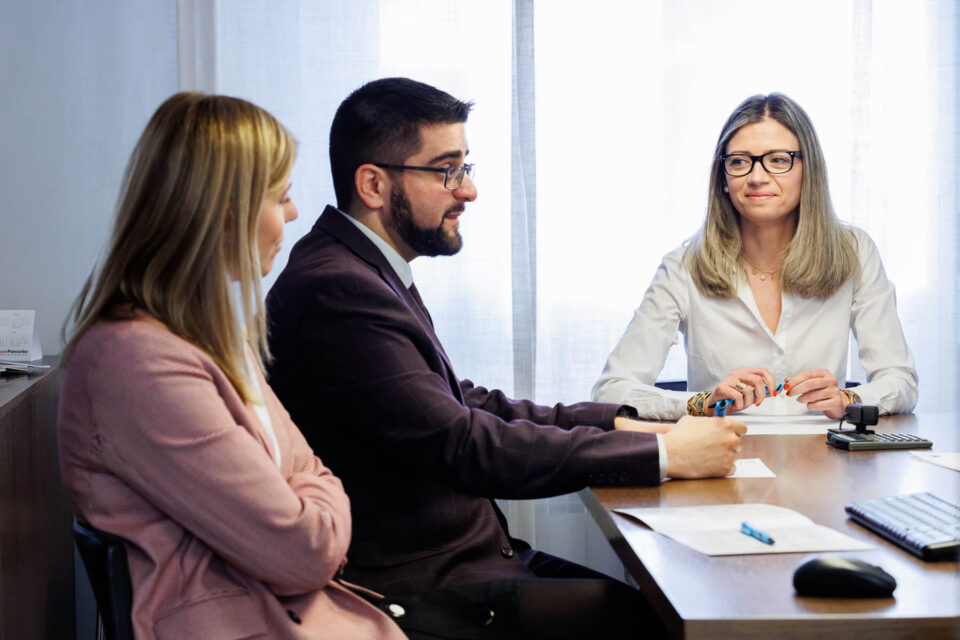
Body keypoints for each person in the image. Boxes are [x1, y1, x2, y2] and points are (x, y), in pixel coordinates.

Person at [266, 77, 745, 639]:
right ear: (372, 184)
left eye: (466, 168)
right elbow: (463, 443)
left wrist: (616, 421)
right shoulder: (338, 290)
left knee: (657, 605)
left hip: (465, 566)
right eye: (447, 169)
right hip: (426, 590)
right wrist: (661, 455)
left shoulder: (359, 269)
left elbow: (462, 400)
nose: (467, 191)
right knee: (660, 619)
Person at [57, 93, 408, 639]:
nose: (293, 213)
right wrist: (311, 502)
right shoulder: (136, 361)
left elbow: (311, 472)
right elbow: (302, 550)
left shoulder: (209, 336)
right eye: (282, 196)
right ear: (224, 213)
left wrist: (307, 495)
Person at [593, 93, 917, 421]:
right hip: (720, 456)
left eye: (778, 159)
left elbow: (900, 379)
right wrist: (702, 402)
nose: (757, 176)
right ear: (723, 178)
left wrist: (849, 398)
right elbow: (612, 389)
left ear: (809, 170)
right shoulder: (684, 266)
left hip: (823, 459)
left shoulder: (854, 251)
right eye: (739, 161)